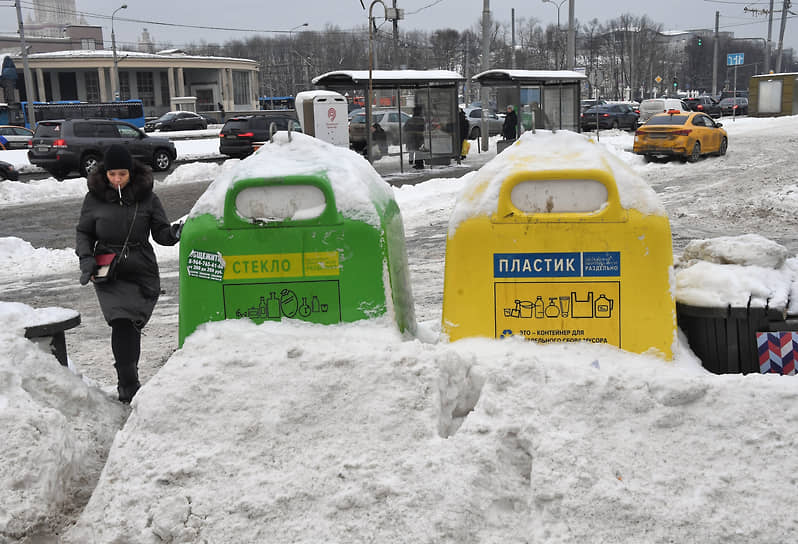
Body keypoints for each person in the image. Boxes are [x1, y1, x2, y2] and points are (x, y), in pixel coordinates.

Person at [76, 145, 181, 403]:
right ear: (105, 173)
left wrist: (175, 233)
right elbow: (84, 232)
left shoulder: (147, 197)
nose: (117, 180)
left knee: (132, 324)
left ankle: (129, 378)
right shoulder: (94, 198)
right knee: (120, 321)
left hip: (140, 266)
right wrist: (86, 259)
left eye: (122, 174)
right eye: (112, 174)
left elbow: (160, 233)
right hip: (107, 266)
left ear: (131, 173)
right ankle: (128, 384)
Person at [405, 105, 426, 169]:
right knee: (419, 151)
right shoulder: (422, 120)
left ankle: (415, 162)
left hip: (412, 138)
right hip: (419, 138)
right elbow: (425, 129)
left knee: (414, 150)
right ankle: (419, 163)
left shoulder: (410, 120)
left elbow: (405, 128)